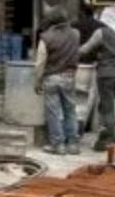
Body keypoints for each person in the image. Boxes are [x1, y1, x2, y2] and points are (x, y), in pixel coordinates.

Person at [80, 6, 115, 148]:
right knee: (108, 106)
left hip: (106, 74)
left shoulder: (102, 32)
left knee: (107, 108)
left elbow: (85, 49)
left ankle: (108, 139)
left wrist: (68, 53)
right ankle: (110, 136)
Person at [31, 9, 82, 153]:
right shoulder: (76, 34)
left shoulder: (46, 37)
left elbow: (40, 63)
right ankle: (73, 144)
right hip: (69, 76)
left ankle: (58, 145)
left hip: (51, 78)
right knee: (70, 110)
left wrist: (37, 82)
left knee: (53, 112)